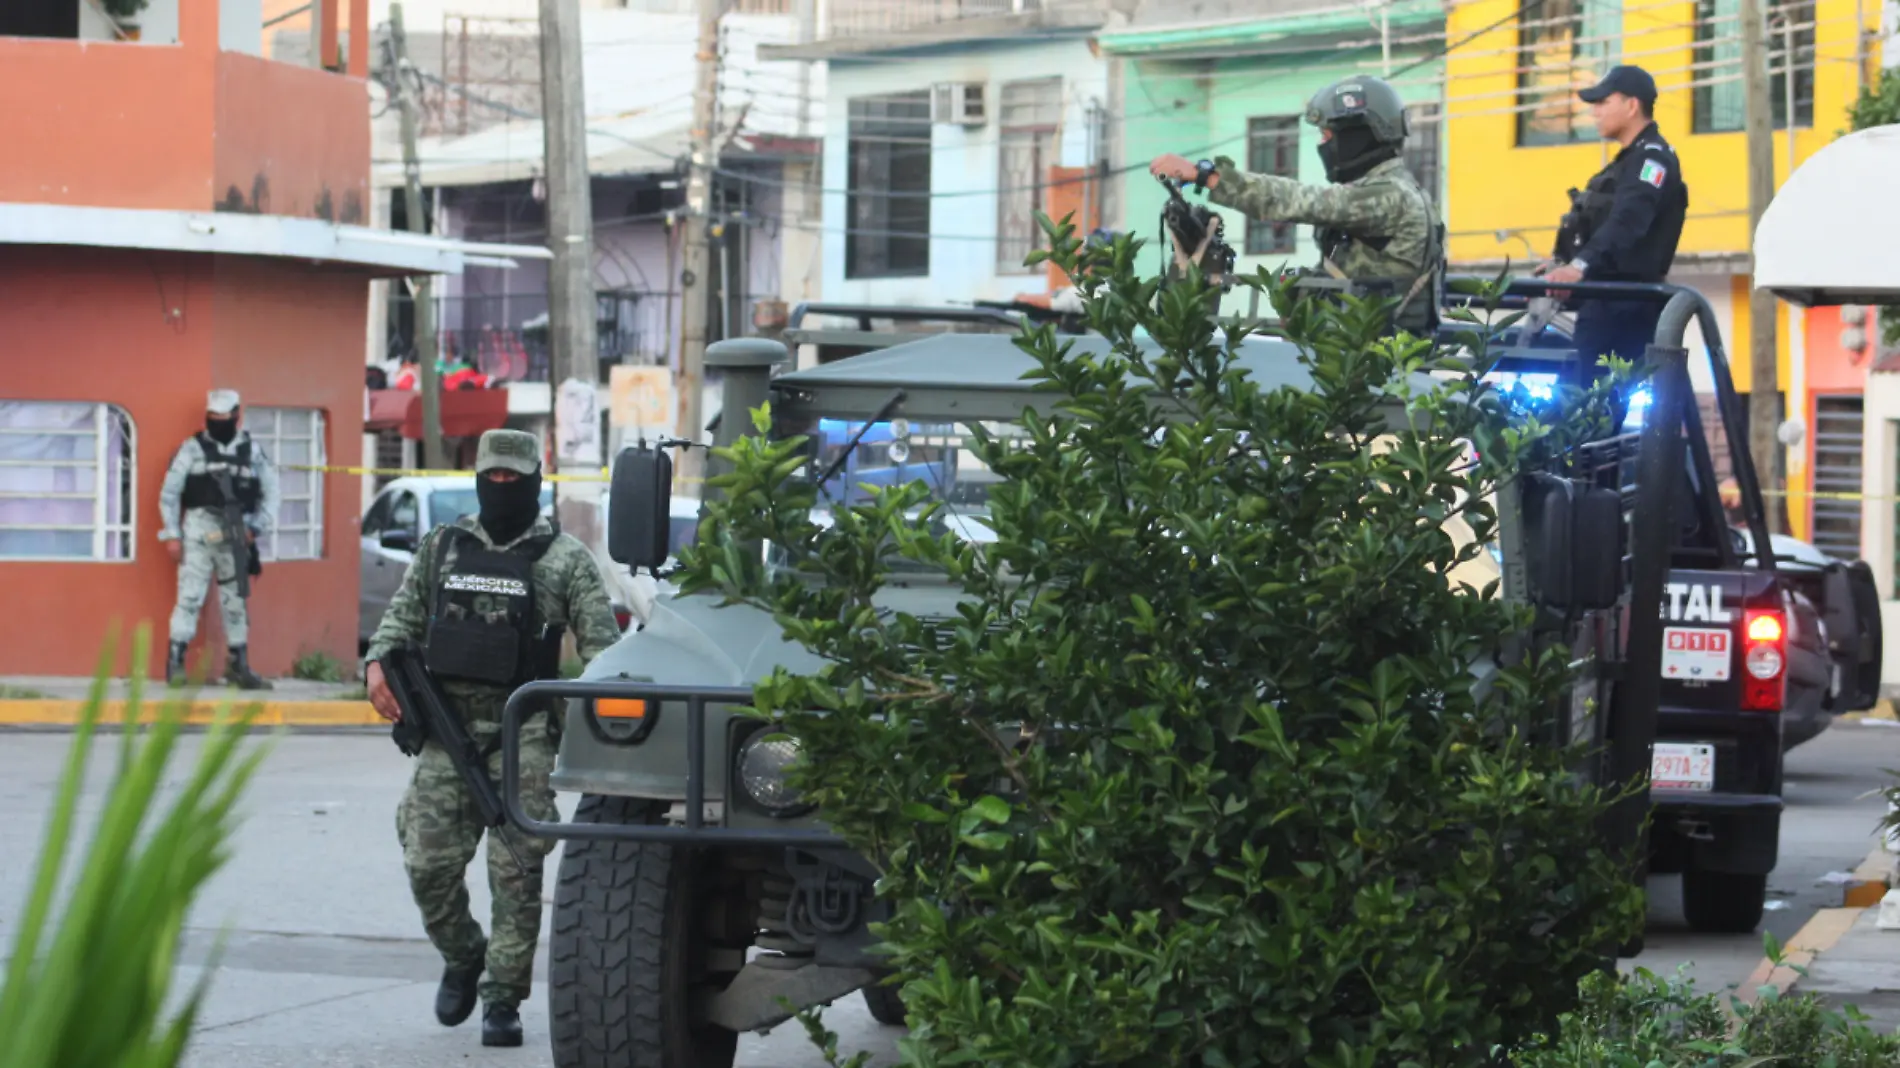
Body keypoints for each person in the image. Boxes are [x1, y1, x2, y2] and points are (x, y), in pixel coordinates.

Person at [363, 428, 621, 1049]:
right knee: (426, 863)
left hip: (523, 731)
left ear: (536, 478)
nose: (504, 487)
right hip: (446, 730)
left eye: (515, 477)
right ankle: (463, 954)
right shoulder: (443, 547)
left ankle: (502, 998)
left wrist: (589, 719)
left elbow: (603, 653)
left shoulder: (565, 559)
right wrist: (376, 663)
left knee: (516, 870)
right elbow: (399, 619)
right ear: (480, 477)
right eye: (494, 477)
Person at [1149, 74, 1445, 337]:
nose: (1322, 145)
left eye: (1327, 136)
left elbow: (1296, 200)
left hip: (1363, 360)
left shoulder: (1391, 197)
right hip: (1350, 347)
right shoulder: (1395, 192)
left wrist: (1207, 176)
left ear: (1360, 135)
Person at [1539, 64, 1689, 383]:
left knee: (1591, 411)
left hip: (1624, 310)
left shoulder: (1652, 160)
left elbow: (1628, 222)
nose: (1595, 113)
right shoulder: (1627, 162)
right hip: (1603, 304)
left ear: (1632, 105)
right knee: (1576, 406)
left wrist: (1579, 266)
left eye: (1603, 102)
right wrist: (1561, 266)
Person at [159, 389, 278, 689]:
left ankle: (238, 666)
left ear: (236, 417)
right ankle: (175, 663)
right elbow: (169, 494)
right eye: (212, 419)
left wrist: (257, 527)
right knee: (188, 599)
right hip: (199, 532)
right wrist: (172, 534)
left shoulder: (252, 451)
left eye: (223, 419)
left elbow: (273, 493)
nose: (218, 424)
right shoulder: (192, 449)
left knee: (236, 603)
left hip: (236, 536)